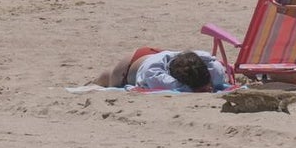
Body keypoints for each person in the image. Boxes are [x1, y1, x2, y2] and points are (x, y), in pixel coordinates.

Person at [91, 48, 229, 91]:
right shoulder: (155, 74)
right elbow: (179, 88)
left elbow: (208, 59)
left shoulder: (214, 70)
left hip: (163, 54)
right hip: (129, 66)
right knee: (106, 80)